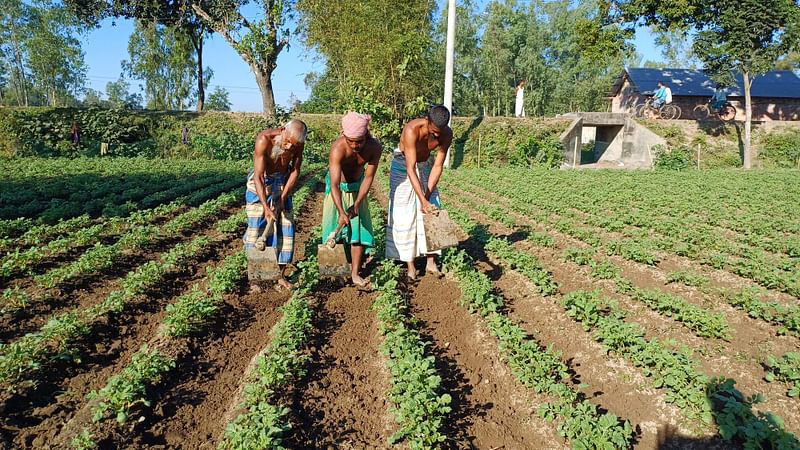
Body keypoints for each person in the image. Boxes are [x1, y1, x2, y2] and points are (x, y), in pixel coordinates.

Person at [386, 105, 453, 280]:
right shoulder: (412, 130)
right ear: (427, 121)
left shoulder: (446, 134)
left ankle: (431, 261)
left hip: (426, 165)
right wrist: (421, 200)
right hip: (403, 166)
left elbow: (438, 165)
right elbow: (410, 168)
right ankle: (410, 264)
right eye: (434, 131)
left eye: (441, 131)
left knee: (434, 209)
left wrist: (428, 196)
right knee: (405, 213)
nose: (437, 135)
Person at [243, 119, 307, 292]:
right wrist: (265, 206)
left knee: (286, 228)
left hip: (283, 182)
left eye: (292, 145)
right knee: (257, 228)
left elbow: (295, 170)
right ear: (282, 130)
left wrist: (282, 199)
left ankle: (280, 276)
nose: (287, 147)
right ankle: (257, 279)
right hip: (262, 182)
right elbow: (257, 176)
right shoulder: (264, 140)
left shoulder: (298, 144)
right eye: (286, 142)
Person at [322, 112, 382, 287]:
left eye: (359, 141)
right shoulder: (337, 148)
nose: (355, 145)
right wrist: (341, 211)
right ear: (343, 134)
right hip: (337, 190)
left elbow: (369, 177)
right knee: (334, 230)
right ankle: (335, 274)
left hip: (358, 189)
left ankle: (355, 273)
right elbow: (334, 184)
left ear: (366, 135)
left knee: (358, 233)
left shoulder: (374, 148)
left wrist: (357, 204)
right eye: (351, 141)